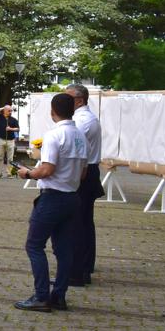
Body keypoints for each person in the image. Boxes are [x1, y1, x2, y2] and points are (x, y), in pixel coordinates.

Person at [14, 92, 87, 312]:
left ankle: (41, 296)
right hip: (73, 197)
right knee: (63, 249)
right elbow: (83, 173)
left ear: (52, 111)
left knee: (34, 245)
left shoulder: (54, 136)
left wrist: (27, 173)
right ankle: (59, 295)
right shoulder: (80, 136)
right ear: (72, 110)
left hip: (53, 197)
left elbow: (47, 169)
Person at [66, 84, 103, 286]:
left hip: (84, 172)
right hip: (87, 170)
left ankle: (79, 269)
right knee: (85, 222)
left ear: (79, 100)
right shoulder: (86, 118)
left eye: (67, 98)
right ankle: (85, 264)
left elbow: (70, 144)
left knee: (78, 223)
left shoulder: (81, 121)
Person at [0, 105, 20, 177]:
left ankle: (9, 173)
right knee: (0, 157)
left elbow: (17, 129)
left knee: (10, 158)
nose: (10, 112)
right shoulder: (0, 117)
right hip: (1, 140)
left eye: (11, 111)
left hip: (10, 141)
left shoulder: (14, 119)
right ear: (4, 111)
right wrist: (4, 107)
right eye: (9, 111)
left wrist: (11, 129)